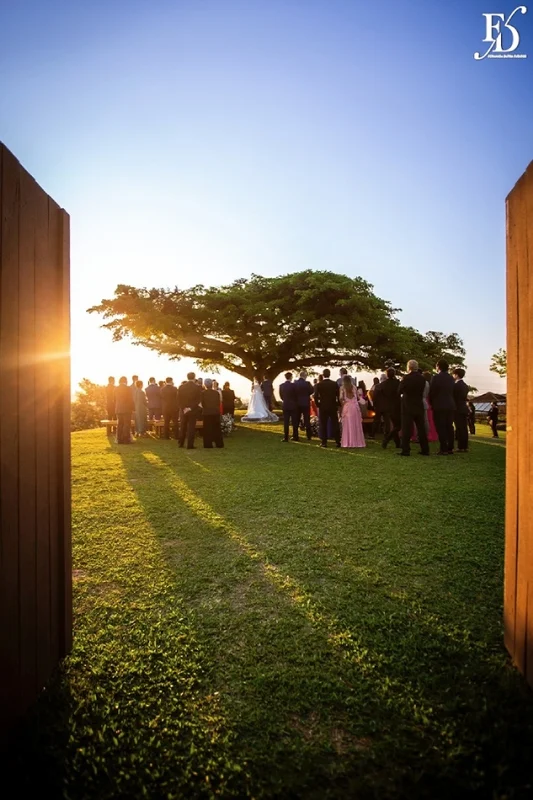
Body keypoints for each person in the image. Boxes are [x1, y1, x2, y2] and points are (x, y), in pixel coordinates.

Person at [398, 360, 429, 456]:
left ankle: (406, 450)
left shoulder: (406, 378)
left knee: (406, 428)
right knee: (421, 428)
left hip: (407, 405)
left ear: (409, 367)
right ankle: (425, 449)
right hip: (418, 404)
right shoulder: (422, 378)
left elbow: (399, 390)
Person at [428, 360, 456, 455]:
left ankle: (443, 448)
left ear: (438, 367)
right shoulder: (451, 378)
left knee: (441, 427)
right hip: (450, 405)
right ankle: (450, 447)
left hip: (439, 405)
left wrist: (432, 403)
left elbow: (432, 392)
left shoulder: (436, 378)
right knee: (449, 426)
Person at [314, 369, 341, 448]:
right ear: (329, 374)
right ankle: (337, 441)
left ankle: (324, 442)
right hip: (332, 405)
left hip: (323, 406)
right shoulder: (334, 384)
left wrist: (318, 404)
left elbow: (315, 396)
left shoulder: (319, 384)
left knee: (323, 424)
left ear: (323, 375)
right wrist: (337, 404)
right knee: (335, 423)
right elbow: (338, 395)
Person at [178, 372, 203, 448]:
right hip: (193, 410)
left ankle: (181, 443)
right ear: (194, 377)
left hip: (183, 410)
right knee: (191, 427)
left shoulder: (181, 387)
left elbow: (178, 399)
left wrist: (184, 408)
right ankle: (190, 444)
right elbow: (198, 400)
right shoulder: (197, 387)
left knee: (183, 426)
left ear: (187, 377)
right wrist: (190, 408)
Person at [339, 375, 366, 448]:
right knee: (356, 424)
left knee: (347, 425)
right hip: (354, 407)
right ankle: (357, 441)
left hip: (347, 407)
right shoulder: (354, 387)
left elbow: (341, 398)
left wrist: (343, 404)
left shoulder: (342, 388)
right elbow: (357, 397)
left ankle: (348, 442)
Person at [381, 368, 401, 449]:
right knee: (398, 425)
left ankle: (397, 443)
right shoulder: (397, 383)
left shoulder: (384, 384)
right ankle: (387, 439)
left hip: (388, 406)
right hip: (397, 405)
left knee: (395, 425)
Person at [201, 379, 224, 448]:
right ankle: (219, 443)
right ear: (212, 385)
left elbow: (202, 403)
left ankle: (208, 444)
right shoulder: (216, 393)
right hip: (215, 412)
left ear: (205, 385)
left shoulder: (203, 393)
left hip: (207, 412)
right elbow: (218, 402)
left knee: (207, 429)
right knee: (217, 428)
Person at [279, 372, 300, 442]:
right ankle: (295, 436)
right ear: (291, 377)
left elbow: (281, 396)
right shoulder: (294, 385)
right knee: (294, 422)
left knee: (286, 422)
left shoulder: (281, 386)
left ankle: (286, 437)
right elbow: (296, 395)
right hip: (293, 405)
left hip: (285, 405)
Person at [294, 370, 314, 440]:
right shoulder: (307, 383)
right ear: (305, 376)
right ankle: (309, 435)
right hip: (305, 403)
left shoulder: (295, 383)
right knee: (307, 419)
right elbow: (312, 391)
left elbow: (293, 392)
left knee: (296, 419)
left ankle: (295, 435)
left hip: (297, 403)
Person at [453, 368, 469, 452]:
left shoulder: (456, 385)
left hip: (457, 408)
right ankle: (465, 446)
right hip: (463, 407)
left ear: (456, 375)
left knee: (459, 428)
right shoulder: (465, 385)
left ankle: (460, 446)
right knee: (464, 428)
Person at [115, 376, 134, 444]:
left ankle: (119, 439)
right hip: (127, 409)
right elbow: (130, 399)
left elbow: (114, 399)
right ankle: (126, 439)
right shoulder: (128, 388)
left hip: (118, 409)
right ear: (125, 381)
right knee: (126, 424)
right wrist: (133, 408)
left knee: (120, 424)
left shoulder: (116, 388)